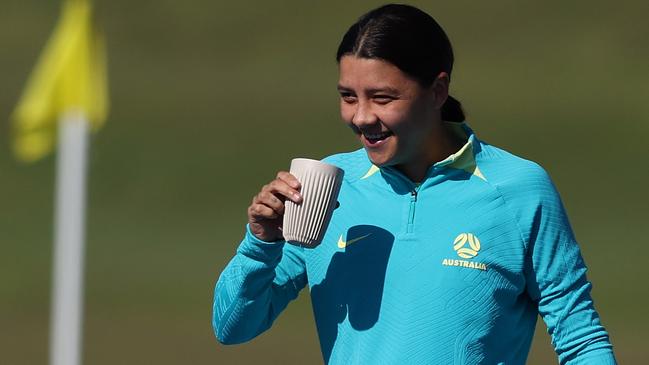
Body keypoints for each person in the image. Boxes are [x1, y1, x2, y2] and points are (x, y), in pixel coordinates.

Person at [212, 4, 617, 364]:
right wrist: (261, 242)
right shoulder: (327, 186)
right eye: (348, 96)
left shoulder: (517, 189)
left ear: (437, 91)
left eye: (383, 98)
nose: (361, 117)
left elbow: (579, 338)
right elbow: (232, 328)